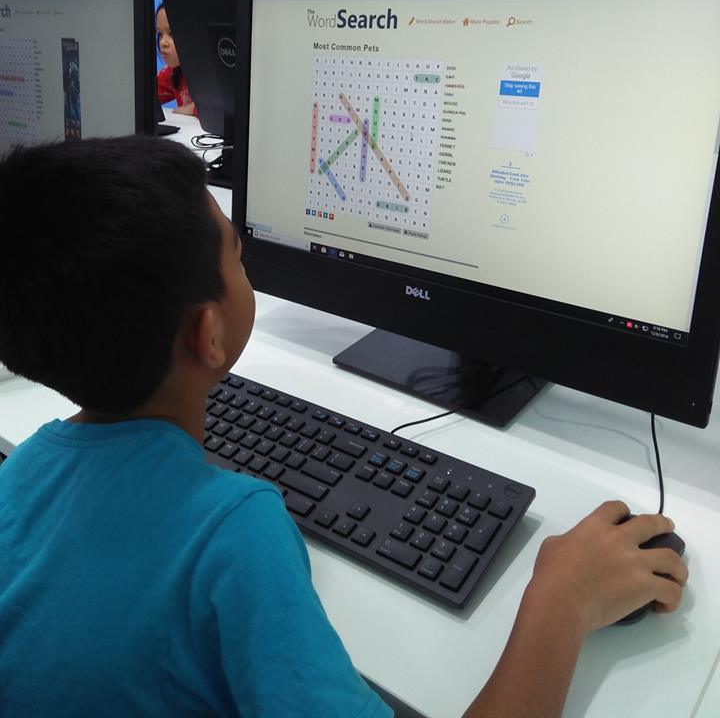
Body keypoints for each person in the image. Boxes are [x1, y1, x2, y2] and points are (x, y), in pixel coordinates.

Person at [0, 136, 688, 718]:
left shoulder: (22, 470)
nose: (245, 263)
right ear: (208, 334)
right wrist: (563, 600)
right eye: (237, 254)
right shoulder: (236, 533)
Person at [156, 3, 197, 116]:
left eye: (171, 33)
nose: (163, 43)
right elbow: (142, 95)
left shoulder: (212, 74)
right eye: (160, 34)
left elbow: (229, 107)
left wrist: (196, 108)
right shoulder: (172, 73)